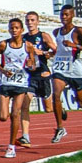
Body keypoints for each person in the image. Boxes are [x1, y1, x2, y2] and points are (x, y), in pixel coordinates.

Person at [0, 18, 35, 158]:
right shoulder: (3, 44)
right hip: (6, 83)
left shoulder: (28, 46)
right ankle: (13, 129)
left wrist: (30, 64)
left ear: (22, 30)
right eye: (11, 28)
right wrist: (3, 71)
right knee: (3, 117)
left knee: (15, 114)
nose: (14, 30)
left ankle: (11, 147)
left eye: (16, 28)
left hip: (21, 84)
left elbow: (32, 65)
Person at [50, 4, 82, 143]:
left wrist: (76, 46)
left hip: (75, 69)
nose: (64, 17)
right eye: (62, 15)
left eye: (66, 15)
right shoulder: (56, 32)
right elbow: (59, 49)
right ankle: (60, 128)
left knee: (81, 102)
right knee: (55, 94)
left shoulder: (79, 31)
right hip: (60, 68)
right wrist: (50, 54)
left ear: (72, 15)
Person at [18, 11, 57, 146]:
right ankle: (25, 137)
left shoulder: (44, 36)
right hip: (29, 76)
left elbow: (56, 51)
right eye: (28, 20)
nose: (30, 23)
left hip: (43, 75)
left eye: (32, 20)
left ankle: (60, 108)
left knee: (48, 109)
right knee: (24, 106)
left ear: (38, 22)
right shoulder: (22, 39)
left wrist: (45, 53)